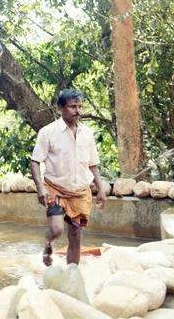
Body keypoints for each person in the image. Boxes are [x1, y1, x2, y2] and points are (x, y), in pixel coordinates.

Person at [30, 88, 107, 266]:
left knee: (75, 238)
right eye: (73, 106)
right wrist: (40, 188)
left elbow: (93, 164)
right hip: (55, 189)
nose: (77, 110)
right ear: (60, 108)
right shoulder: (48, 132)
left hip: (80, 192)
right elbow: (35, 162)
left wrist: (101, 189)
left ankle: (73, 276)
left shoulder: (87, 133)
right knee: (56, 230)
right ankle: (48, 242)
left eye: (79, 106)